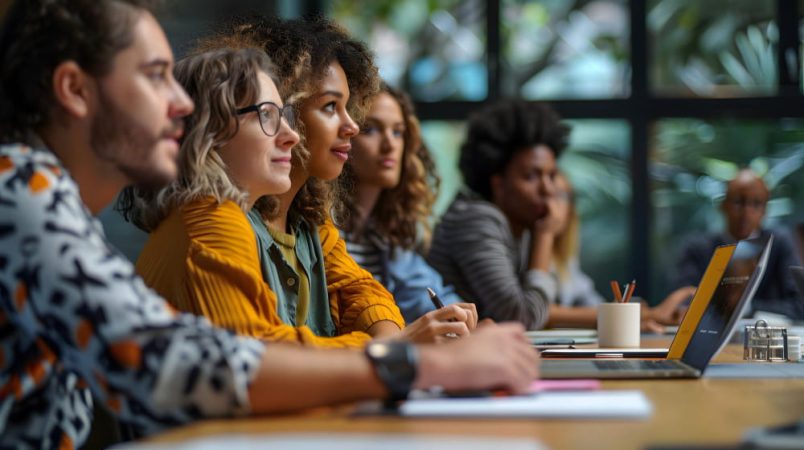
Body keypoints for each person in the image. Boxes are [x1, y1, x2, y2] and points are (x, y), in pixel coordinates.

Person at [0, 1, 537, 446]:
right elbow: (180, 361)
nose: (182, 103)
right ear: (74, 90)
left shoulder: (43, 199)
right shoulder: (20, 193)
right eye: (156, 76)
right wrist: (413, 363)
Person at [190, 16, 478, 344]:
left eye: (347, 108)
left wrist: (390, 344)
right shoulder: (216, 219)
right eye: (330, 107)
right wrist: (391, 349)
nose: (352, 127)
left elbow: (366, 294)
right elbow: (267, 359)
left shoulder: (310, 223)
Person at [428, 99, 693, 330]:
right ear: (497, 184)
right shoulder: (476, 219)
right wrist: (545, 235)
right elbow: (523, 316)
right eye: (531, 176)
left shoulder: (517, 224)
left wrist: (635, 315)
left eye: (551, 175)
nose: (547, 189)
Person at [340, 83, 462, 323]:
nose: (390, 145)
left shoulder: (383, 232)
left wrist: (467, 317)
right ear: (342, 134)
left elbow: (429, 296)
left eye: (398, 132)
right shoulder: (323, 230)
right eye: (370, 129)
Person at [671, 168, 802, 319]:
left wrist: (746, 307)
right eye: (738, 202)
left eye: (756, 204)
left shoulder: (778, 244)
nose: (746, 213)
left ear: (765, 210)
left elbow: (799, 305)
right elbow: (682, 301)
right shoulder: (697, 249)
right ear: (723, 205)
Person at [551, 171, 604, 308]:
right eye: (547, 195)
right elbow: (537, 311)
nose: (551, 204)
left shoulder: (563, 256)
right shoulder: (525, 250)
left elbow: (588, 297)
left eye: (560, 195)